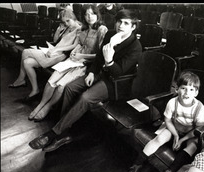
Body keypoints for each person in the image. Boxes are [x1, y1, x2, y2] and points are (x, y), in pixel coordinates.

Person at [28, 9, 142, 152]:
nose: (121, 25)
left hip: (115, 83)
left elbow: (119, 73)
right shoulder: (111, 34)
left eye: (126, 23)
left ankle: (53, 133)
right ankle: (66, 131)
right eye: (119, 21)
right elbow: (99, 57)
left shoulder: (136, 47)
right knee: (69, 87)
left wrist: (110, 61)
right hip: (100, 74)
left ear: (133, 27)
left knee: (86, 97)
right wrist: (93, 72)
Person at [28, 4, 108, 121]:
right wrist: (75, 51)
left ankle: (48, 107)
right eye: (86, 14)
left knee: (60, 86)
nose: (89, 17)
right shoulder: (83, 29)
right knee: (51, 80)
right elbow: (79, 44)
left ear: (97, 15)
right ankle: (41, 104)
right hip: (73, 60)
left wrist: (82, 55)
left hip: (85, 64)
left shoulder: (102, 30)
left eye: (92, 14)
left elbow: (100, 56)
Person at [128, 71, 204, 172]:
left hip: (190, 133)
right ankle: (137, 165)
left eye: (191, 90)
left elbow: (198, 129)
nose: (186, 93)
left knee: (192, 146)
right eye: (183, 88)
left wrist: (182, 139)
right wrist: (175, 135)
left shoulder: (200, 108)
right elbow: (168, 120)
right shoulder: (172, 102)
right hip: (173, 127)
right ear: (177, 89)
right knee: (159, 139)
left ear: (196, 93)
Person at [8, 9, 81, 101]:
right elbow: (55, 41)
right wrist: (58, 30)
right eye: (64, 21)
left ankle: (21, 79)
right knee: (27, 62)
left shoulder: (79, 29)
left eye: (68, 20)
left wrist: (57, 49)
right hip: (54, 52)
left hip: (61, 56)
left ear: (73, 18)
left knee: (25, 52)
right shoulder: (67, 27)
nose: (66, 23)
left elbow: (73, 46)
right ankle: (35, 90)